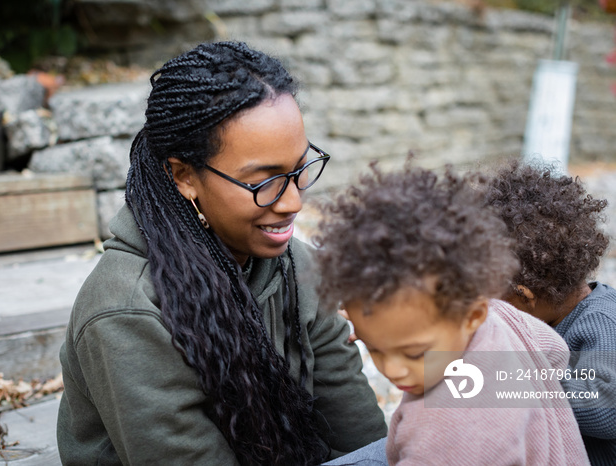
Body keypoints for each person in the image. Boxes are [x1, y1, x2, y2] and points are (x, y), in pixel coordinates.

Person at [55, 41, 387, 465]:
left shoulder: (299, 269)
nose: (292, 203)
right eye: (262, 181)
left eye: (300, 170)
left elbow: (360, 439)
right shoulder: (126, 312)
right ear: (184, 176)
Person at [316, 164, 589, 465]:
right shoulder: (503, 318)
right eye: (375, 348)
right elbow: (556, 353)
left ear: (472, 315)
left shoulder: (450, 427)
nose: (393, 370)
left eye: (415, 352)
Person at [486, 161, 616, 465]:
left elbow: (606, 407)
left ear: (524, 296)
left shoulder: (602, 321)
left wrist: (515, 377)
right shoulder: (549, 315)